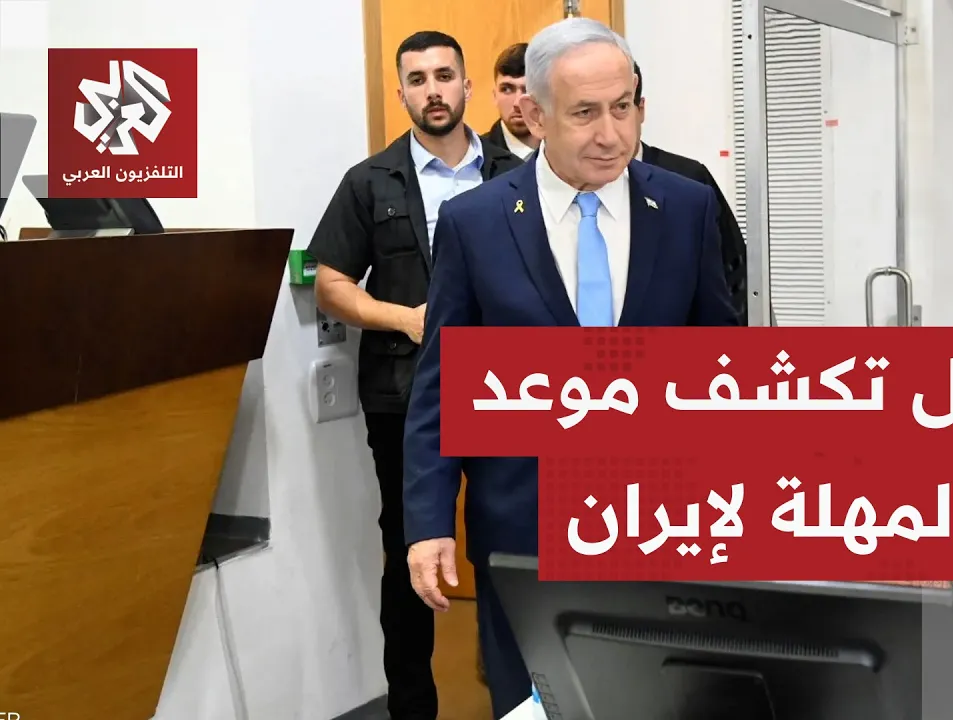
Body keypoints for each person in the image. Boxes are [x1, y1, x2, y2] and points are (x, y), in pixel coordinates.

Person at [401, 16, 738, 718]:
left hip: (661, 521)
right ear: (533, 114)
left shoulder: (686, 207)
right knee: (534, 704)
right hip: (523, 528)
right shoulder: (476, 222)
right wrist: (429, 520)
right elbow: (442, 384)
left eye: (624, 108)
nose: (611, 134)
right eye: (585, 113)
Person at [306, 29, 521, 720]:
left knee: (512, 544)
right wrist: (404, 318)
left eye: (444, 75)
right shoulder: (369, 182)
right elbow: (330, 284)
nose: (433, 90)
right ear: (400, 92)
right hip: (403, 398)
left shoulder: (515, 176)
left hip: (510, 395)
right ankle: (411, 707)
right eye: (418, 79)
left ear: (466, 86)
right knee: (411, 551)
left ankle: (522, 696)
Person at [630, 62, 748, 324]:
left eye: (621, 107)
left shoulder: (690, 180)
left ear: (641, 110)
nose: (607, 129)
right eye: (587, 111)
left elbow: (736, 272)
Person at [482, 42, 537, 160]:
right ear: (495, 96)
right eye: (506, 89)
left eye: (528, 90)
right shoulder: (476, 158)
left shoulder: (567, 151)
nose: (517, 103)